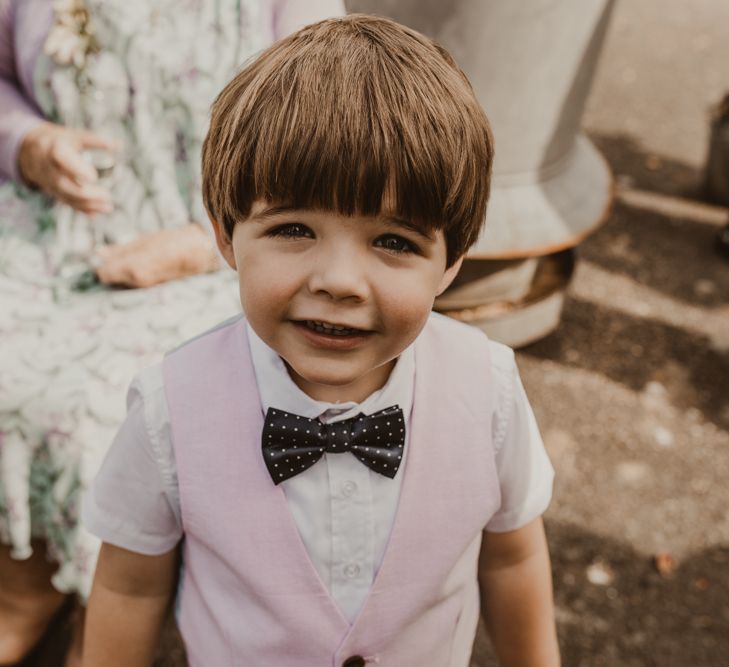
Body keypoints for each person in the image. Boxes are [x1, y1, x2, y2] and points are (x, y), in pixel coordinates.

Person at [82, 14, 560, 666]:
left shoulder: (490, 389)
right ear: (226, 236)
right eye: (293, 229)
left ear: (450, 261)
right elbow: (128, 585)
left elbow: (512, 555)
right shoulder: (171, 408)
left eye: (393, 242)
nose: (338, 281)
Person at [0, 0, 343, 664]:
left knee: (115, 403)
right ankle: (26, 576)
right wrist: (29, 144)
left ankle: (109, 614)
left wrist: (202, 241)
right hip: (45, 229)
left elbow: (326, 141)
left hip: (232, 248)